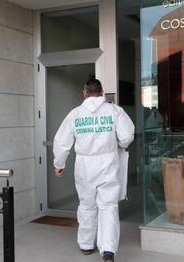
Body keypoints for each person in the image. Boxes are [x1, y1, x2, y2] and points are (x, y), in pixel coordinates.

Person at [53, 77, 135, 262]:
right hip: (108, 163)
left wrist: (59, 164)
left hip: (84, 165)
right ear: (102, 92)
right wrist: (119, 145)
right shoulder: (115, 110)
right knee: (108, 206)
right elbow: (128, 135)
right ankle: (108, 251)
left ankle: (86, 244)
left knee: (87, 204)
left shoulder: (75, 114)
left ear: (84, 93)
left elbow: (62, 142)